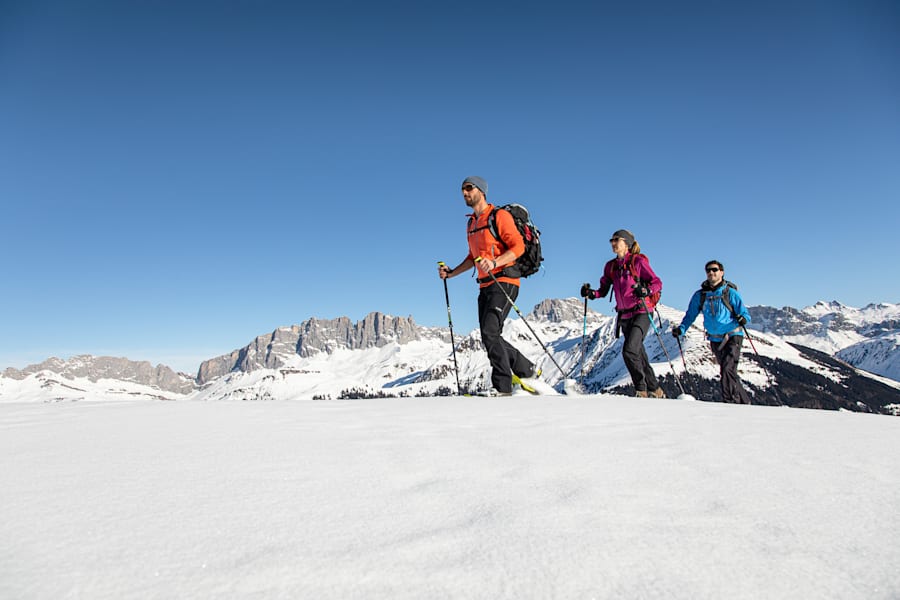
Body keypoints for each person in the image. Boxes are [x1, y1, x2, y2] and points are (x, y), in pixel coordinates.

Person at [438, 176, 537, 396]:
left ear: (481, 191)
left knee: (491, 331)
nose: (464, 193)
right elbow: (472, 257)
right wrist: (451, 273)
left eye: (468, 188)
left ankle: (503, 388)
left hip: (505, 281)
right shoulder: (471, 223)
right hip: (485, 285)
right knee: (488, 334)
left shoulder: (498, 216)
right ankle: (526, 368)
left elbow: (518, 247)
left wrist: (495, 262)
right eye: (462, 189)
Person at [581, 230, 665, 398]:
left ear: (626, 243)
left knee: (629, 350)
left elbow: (657, 282)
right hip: (624, 316)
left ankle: (641, 390)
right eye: (611, 240)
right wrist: (591, 294)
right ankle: (655, 390)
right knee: (639, 353)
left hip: (642, 311)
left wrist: (646, 290)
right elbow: (603, 291)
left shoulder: (638, 261)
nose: (613, 243)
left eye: (616, 240)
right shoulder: (611, 266)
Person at [672, 260, 752, 404]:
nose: (711, 273)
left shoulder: (730, 293)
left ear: (722, 272)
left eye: (714, 270)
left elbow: (744, 313)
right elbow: (690, 315)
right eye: (708, 270)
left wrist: (743, 319)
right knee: (729, 372)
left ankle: (730, 403)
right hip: (715, 339)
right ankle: (745, 403)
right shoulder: (701, 295)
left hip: (733, 335)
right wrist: (682, 329)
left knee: (727, 369)